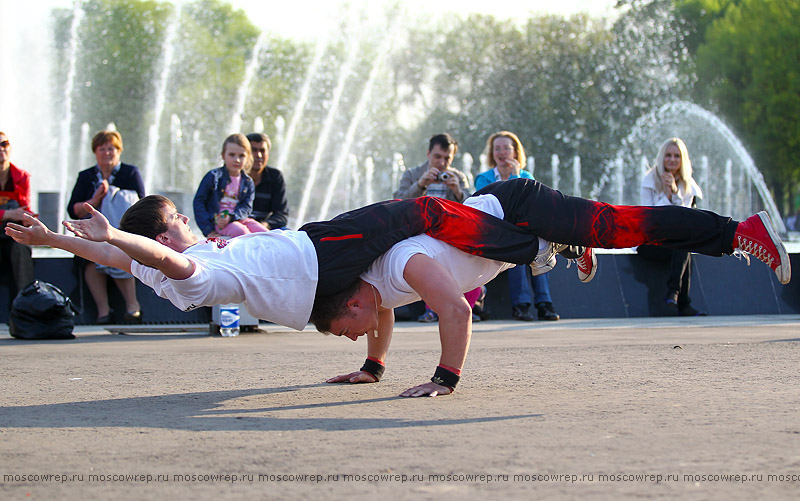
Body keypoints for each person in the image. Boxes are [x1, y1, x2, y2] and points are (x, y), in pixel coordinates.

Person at [7, 178, 788, 340]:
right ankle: (554, 245)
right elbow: (149, 263)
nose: (189, 231)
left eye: (178, 223)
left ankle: (732, 228)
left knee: (617, 223)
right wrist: (69, 239)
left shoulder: (191, 253)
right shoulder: (189, 269)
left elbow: (136, 257)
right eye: (176, 225)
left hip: (484, 211)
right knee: (423, 221)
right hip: (350, 243)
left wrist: (78, 237)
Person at [313, 179, 791, 398]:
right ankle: (564, 242)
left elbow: (458, 312)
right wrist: (373, 367)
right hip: (513, 230)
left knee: (620, 227)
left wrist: (445, 379)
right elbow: (386, 316)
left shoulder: (401, 265)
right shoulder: (377, 290)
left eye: (344, 329)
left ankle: (739, 231)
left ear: (353, 301)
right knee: (605, 231)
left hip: (516, 207)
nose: (351, 335)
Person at [475, 131, 559, 321]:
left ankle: (544, 303)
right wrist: (513, 178)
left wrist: (516, 175)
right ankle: (521, 306)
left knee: (540, 246)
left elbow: (528, 207)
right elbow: (496, 207)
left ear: (515, 152)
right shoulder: (483, 178)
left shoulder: (527, 176)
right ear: (492, 153)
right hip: (496, 230)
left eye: (506, 148)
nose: (501, 152)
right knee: (517, 250)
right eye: (497, 148)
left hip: (523, 229)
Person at [393, 133, 477, 322]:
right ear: (428, 153)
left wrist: (457, 190)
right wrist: (421, 184)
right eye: (437, 157)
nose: (441, 163)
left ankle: (464, 303)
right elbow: (398, 202)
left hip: (447, 233)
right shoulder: (413, 174)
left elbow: (472, 209)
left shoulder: (458, 176)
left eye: (447, 158)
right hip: (417, 232)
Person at [66, 130, 144, 324]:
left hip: (123, 231)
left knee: (121, 254)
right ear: (95, 152)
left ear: (119, 151)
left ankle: (132, 306)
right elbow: (72, 209)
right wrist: (96, 200)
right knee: (90, 259)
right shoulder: (87, 176)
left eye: (112, 148)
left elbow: (143, 203)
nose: (107, 153)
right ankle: (103, 311)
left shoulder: (130, 173)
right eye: (103, 149)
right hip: (94, 233)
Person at [638, 138, 705, 316]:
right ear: (662, 158)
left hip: (674, 241)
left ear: (683, 160)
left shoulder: (688, 184)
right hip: (650, 241)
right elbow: (650, 216)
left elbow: (685, 218)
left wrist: (675, 193)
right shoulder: (649, 180)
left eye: (677, 156)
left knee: (683, 243)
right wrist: (666, 195)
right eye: (668, 155)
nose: (672, 160)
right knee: (683, 244)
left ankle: (675, 295)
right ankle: (680, 300)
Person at [193, 134, 268, 238]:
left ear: (248, 157)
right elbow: (199, 202)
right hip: (219, 221)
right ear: (223, 155)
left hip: (238, 218)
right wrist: (208, 230)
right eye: (232, 155)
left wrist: (232, 217)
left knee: (267, 234)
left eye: (241, 156)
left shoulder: (247, 182)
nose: (237, 160)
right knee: (243, 233)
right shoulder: (213, 177)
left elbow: (246, 207)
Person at [0, 131, 36, 300]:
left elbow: (25, 208)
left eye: (4, 144)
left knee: (22, 248)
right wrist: (8, 213)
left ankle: (26, 306)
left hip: (11, 235)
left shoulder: (22, 177)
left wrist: (27, 218)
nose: (1, 149)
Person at [245, 133, 289, 230]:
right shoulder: (234, 177)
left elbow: (281, 214)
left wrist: (265, 225)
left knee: (288, 234)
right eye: (254, 150)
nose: (259, 155)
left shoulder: (275, 177)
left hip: (263, 229)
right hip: (237, 228)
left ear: (268, 154)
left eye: (262, 150)